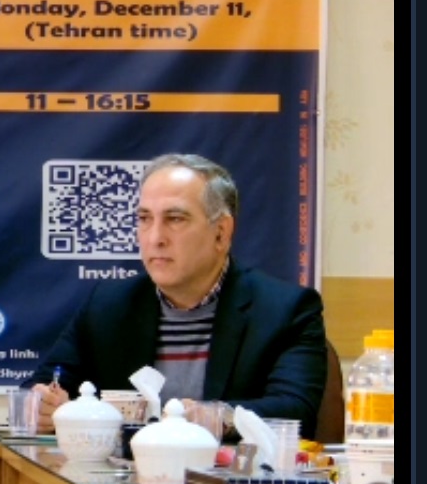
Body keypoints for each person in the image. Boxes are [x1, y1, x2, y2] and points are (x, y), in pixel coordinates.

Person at [26, 154, 328, 437]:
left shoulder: (285, 310)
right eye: (145, 218)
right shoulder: (108, 305)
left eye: (175, 219)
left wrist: (217, 416)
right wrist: (42, 404)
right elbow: (46, 382)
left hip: (225, 473)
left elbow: (295, 411)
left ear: (221, 233)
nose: (155, 237)